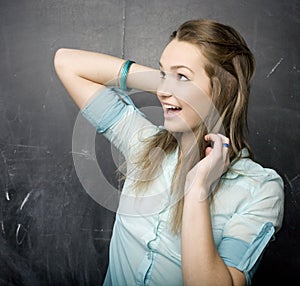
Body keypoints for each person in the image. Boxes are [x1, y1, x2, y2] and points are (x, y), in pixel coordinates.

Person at [54, 19, 284, 286]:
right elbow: (66, 63)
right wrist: (168, 81)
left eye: (183, 77)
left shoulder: (260, 189)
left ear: (225, 88)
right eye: (164, 73)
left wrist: (198, 188)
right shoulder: (142, 143)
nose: (162, 92)